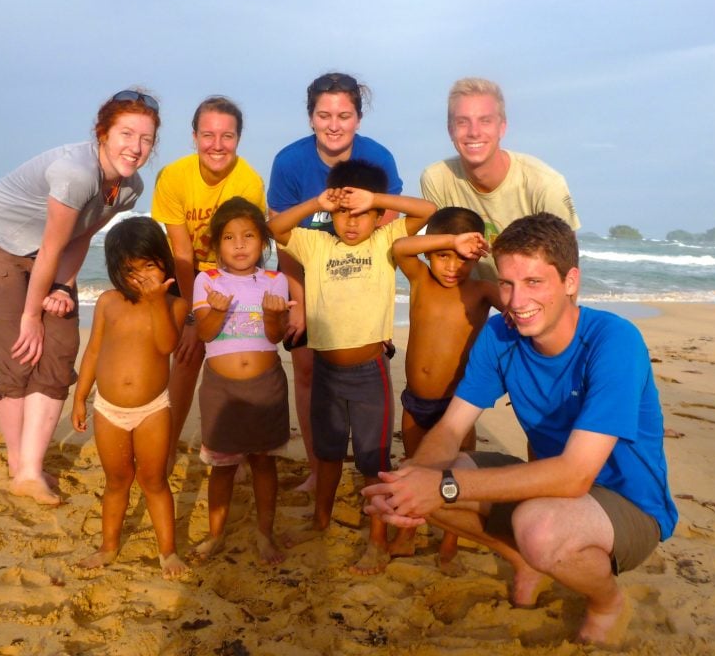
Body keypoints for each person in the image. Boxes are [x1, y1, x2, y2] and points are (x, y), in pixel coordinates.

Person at [363, 213, 678, 645]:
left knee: (533, 524)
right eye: (507, 283)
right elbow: (452, 426)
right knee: (418, 474)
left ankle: (607, 601)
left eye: (534, 282)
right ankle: (524, 559)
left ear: (570, 282)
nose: (515, 299)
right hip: (551, 489)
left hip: (629, 505)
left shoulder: (614, 341)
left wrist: (445, 487)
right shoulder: (501, 335)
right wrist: (411, 482)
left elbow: (575, 475)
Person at [0, 88, 161, 505]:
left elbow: (80, 236)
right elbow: (53, 246)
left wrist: (63, 288)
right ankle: (23, 469)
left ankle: (29, 468)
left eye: (146, 139)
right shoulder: (76, 172)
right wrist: (32, 315)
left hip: (45, 255)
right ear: (102, 132)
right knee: (21, 351)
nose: (136, 147)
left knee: (63, 345)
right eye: (126, 134)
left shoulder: (129, 188)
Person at [268, 159, 434, 575]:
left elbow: (429, 211)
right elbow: (276, 230)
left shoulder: (385, 240)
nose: (352, 222)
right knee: (326, 454)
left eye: (362, 214)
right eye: (343, 212)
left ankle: (377, 541)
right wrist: (317, 202)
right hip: (326, 373)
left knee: (371, 460)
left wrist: (374, 198)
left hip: (370, 374)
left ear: (378, 216)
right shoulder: (317, 243)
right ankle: (320, 520)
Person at [268, 72, 403, 492]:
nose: (333, 124)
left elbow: (389, 236)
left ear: (358, 119)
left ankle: (370, 470)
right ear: (310, 118)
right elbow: (284, 240)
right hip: (306, 278)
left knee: (366, 382)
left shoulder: (378, 158)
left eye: (344, 115)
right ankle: (317, 469)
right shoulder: (289, 162)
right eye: (324, 114)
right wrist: (301, 302)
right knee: (307, 370)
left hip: (357, 288)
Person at [151, 96, 266, 470]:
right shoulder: (174, 176)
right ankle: (166, 447)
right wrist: (190, 320)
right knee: (185, 358)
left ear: (238, 138)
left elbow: (241, 252)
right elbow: (182, 252)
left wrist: (210, 319)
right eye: (208, 135)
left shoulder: (247, 182)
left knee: (231, 356)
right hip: (189, 271)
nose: (217, 145)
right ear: (194, 136)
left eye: (227, 136)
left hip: (233, 271)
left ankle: (239, 444)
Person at [70, 216, 188, 578]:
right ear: (116, 269)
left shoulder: (174, 306)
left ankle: (167, 552)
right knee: (117, 481)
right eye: (129, 269)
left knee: (154, 481)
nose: (140, 277)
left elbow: (167, 345)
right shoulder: (108, 302)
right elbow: (92, 351)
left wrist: (155, 302)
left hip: (153, 410)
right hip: (108, 410)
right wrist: (80, 396)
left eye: (148, 266)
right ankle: (109, 546)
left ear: (163, 262)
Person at [386, 207, 502, 571]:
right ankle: (407, 534)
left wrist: (491, 250)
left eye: (462, 258)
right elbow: (401, 246)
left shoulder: (482, 291)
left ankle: (449, 544)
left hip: (457, 407)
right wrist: (454, 240)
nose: (452, 267)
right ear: (430, 252)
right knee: (412, 469)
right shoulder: (419, 278)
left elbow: (518, 307)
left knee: (456, 476)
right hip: (415, 402)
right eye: (443, 256)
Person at [189, 197, 292, 565]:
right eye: (230, 237)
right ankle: (216, 535)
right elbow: (204, 333)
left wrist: (274, 315)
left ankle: (265, 534)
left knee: (264, 462)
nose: (239, 244)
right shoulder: (207, 280)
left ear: (263, 242)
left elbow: (276, 336)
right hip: (222, 388)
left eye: (248, 236)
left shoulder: (276, 281)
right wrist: (217, 309)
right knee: (223, 465)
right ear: (216, 245)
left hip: (266, 386)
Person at [420, 77, 580, 281]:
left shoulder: (545, 184)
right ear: (450, 130)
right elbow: (438, 254)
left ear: (502, 127)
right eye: (462, 122)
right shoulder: (437, 178)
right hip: (472, 300)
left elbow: (567, 270)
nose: (474, 132)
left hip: (529, 300)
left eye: (485, 121)